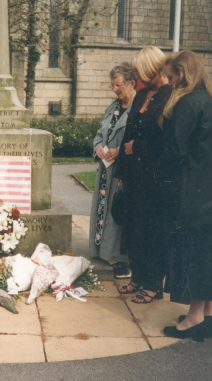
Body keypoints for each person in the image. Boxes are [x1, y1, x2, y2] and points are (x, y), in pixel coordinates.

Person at [159, 50, 212, 341]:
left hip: (195, 196)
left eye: (170, 76)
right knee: (211, 256)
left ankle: (193, 320)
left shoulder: (188, 103)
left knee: (195, 256)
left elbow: (175, 152)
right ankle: (206, 314)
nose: (168, 82)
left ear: (181, 74)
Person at [114, 46, 173, 304]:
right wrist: (121, 170)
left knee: (152, 231)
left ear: (151, 67)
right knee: (134, 227)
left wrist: (138, 147)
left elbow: (169, 141)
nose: (137, 75)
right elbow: (129, 133)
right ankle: (137, 277)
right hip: (135, 174)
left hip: (155, 176)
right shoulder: (142, 94)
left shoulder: (170, 96)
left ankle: (152, 284)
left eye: (139, 70)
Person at [88, 62, 136, 279]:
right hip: (105, 171)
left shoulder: (138, 109)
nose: (115, 90)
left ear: (131, 83)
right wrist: (98, 145)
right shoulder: (113, 108)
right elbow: (100, 133)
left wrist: (120, 152)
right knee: (103, 211)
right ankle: (101, 251)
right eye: (112, 86)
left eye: (118, 85)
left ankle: (119, 257)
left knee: (117, 214)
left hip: (123, 170)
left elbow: (137, 142)